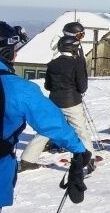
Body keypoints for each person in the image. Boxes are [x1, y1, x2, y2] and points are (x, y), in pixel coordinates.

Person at [0, 21, 90, 213]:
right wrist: (79, 150)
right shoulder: (17, 88)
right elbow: (52, 124)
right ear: (4, 53)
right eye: (13, 52)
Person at [19, 35, 96, 172]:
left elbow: (48, 85)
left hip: (54, 101)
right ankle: (89, 159)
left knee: (48, 129)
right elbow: (82, 86)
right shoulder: (76, 63)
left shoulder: (53, 64)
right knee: (80, 130)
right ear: (73, 48)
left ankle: (27, 160)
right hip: (72, 101)